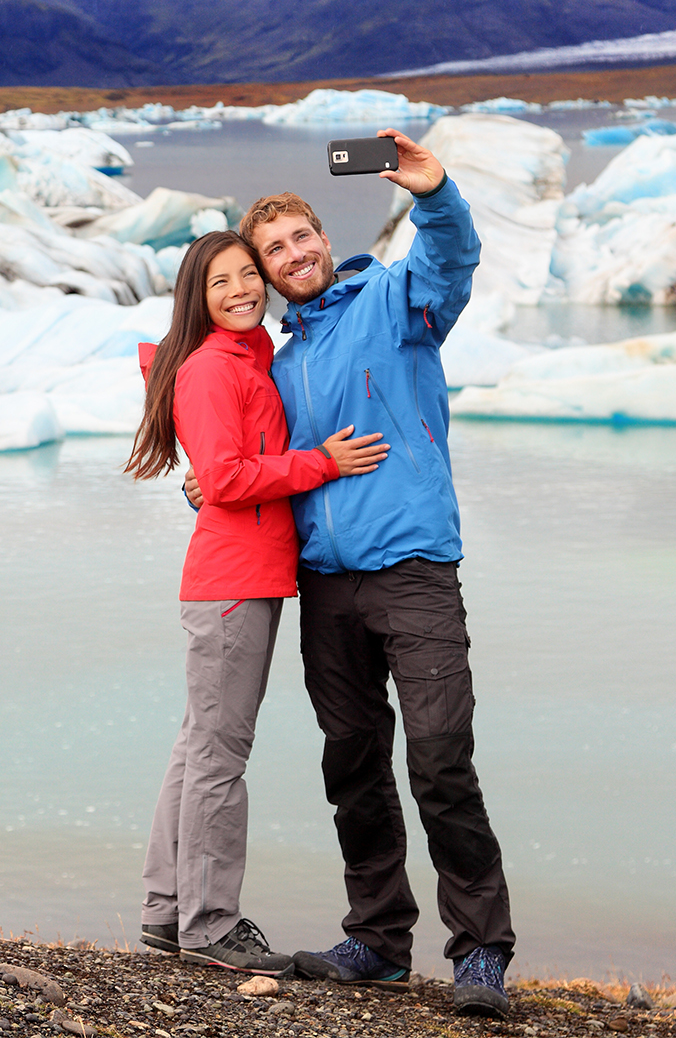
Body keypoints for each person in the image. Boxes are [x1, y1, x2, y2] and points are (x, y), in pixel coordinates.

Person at [186, 130, 516, 1017]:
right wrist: (203, 485)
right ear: (262, 272)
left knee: (442, 758)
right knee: (355, 762)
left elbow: (453, 259)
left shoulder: (396, 301)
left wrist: (436, 191)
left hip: (413, 569)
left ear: (326, 242)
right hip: (326, 582)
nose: (292, 258)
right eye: (273, 252)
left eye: (302, 239)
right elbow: (251, 463)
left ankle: (481, 950)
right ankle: (377, 940)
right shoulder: (280, 365)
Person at [124, 230, 389, 976]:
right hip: (234, 584)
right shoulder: (212, 369)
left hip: (246, 577)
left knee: (198, 745)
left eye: (249, 275)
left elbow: (226, 468)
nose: (243, 290)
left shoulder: (251, 357)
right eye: (222, 283)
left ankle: (165, 908)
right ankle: (210, 926)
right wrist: (323, 464)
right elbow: (232, 478)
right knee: (219, 755)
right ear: (197, 300)